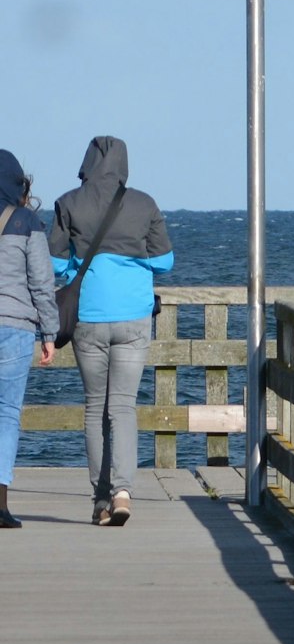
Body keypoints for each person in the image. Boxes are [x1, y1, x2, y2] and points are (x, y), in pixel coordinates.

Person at [49, 135, 173, 527]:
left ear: (87, 162)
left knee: (93, 408)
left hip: (89, 314)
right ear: (124, 163)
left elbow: (52, 261)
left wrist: (76, 268)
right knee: (122, 406)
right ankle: (122, 491)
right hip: (133, 315)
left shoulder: (69, 202)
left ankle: (100, 498)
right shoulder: (143, 203)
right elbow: (166, 261)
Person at [0, 150, 58, 529]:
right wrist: (49, 333)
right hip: (14, 328)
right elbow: (41, 282)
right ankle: (0, 504)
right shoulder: (27, 221)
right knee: (6, 415)